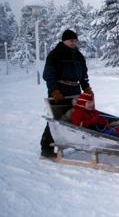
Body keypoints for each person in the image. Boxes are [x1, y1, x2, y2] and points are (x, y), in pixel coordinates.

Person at [40, 29, 93, 158]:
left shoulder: (78, 55)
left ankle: (72, 141)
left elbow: (83, 75)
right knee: (56, 119)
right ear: (64, 40)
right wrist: (54, 90)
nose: (73, 43)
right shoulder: (55, 55)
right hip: (60, 90)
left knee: (75, 116)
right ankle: (47, 148)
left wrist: (86, 88)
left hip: (75, 90)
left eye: (75, 40)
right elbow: (48, 75)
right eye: (71, 40)